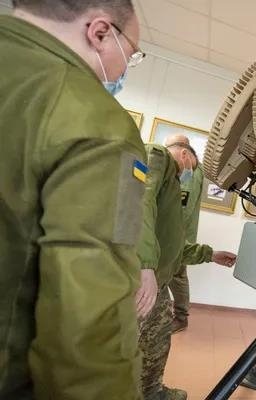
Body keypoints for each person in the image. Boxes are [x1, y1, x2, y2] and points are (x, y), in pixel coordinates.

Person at [0, 1, 146, 398]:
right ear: (100, 32)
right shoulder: (94, 120)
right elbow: (85, 316)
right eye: (131, 53)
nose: (123, 69)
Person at [136, 142, 237, 400]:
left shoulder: (171, 187)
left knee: (156, 343)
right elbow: (137, 202)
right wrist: (144, 265)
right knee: (114, 349)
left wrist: (210, 255)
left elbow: (174, 244)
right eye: (191, 167)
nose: (189, 175)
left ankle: (152, 393)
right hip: (136, 280)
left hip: (156, 284)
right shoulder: (156, 156)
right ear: (184, 154)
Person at [164, 134, 205, 333]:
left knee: (177, 276)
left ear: (184, 153)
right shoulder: (192, 170)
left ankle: (181, 318)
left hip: (179, 236)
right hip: (177, 235)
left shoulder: (191, 173)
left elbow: (182, 210)